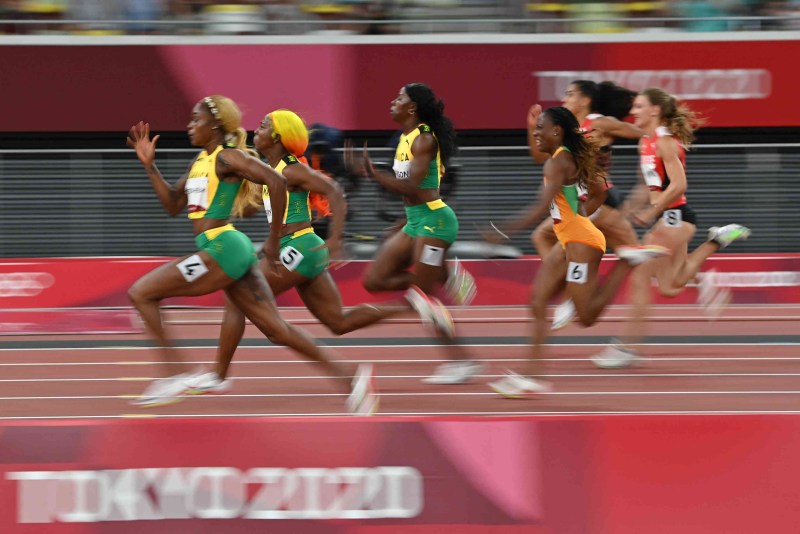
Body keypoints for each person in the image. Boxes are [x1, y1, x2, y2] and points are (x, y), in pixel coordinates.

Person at [126, 95, 376, 414]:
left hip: (223, 249)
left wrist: (273, 242)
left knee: (141, 292)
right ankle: (352, 377)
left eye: (195, 120)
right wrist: (150, 166)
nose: (189, 126)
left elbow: (275, 180)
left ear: (215, 125)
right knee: (275, 329)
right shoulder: (199, 163)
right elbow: (173, 205)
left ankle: (175, 374)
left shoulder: (227, 157)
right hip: (227, 249)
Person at [183, 109, 447, 393]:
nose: (255, 131)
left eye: (262, 127)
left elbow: (335, 191)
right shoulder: (270, 172)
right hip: (301, 249)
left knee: (239, 298)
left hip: (299, 246)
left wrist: (335, 240)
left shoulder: (293, 169)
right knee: (338, 322)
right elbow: (264, 207)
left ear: (276, 136)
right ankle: (411, 305)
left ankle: (218, 374)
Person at [483, 106, 670, 397]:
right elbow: (600, 191)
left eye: (540, 129)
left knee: (586, 317)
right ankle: (530, 376)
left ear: (556, 132)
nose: (535, 133)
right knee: (537, 301)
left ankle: (625, 263)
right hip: (570, 238)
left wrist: (503, 230)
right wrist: (581, 213)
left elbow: (540, 206)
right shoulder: (567, 157)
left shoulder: (559, 163)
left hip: (582, 243)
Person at [591, 88, 751, 368]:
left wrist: (652, 210)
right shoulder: (645, 143)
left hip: (675, 217)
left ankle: (627, 346)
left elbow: (679, 185)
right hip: (669, 218)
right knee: (669, 287)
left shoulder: (665, 142)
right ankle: (715, 241)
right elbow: (648, 184)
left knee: (640, 275)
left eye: (640, 107)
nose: (634, 112)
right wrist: (629, 209)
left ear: (655, 110)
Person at [345, 82, 481, 385]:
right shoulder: (405, 138)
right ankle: (443, 273)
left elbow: (412, 188)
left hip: (435, 222)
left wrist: (374, 174)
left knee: (422, 298)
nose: (392, 102)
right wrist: (403, 218)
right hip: (415, 220)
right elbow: (409, 194)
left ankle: (463, 362)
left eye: (399, 98)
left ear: (413, 108)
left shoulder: (424, 140)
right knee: (374, 280)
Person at [527, 80, 643, 330]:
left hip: (599, 196)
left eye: (570, 94)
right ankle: (573, 287)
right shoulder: (569, 129)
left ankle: (572, 292)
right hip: (581, 198)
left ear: (585, 100)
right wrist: (531, 126)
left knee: (562, 241)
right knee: (542, 237)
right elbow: (539, 157)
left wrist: (657, 141)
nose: (565, 98)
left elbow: (638, 132)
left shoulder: (599, 123)